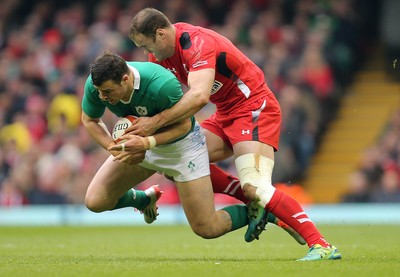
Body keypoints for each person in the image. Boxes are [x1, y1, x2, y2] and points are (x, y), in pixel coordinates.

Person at [127, 8, 341, 261]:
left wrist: (154, 124)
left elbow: (198, 96)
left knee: (256, 185)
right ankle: (255, 205)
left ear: (160, 34)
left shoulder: (197, 43)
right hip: (225, 113)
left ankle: (322, 245)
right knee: (175, 161)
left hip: (254, 108)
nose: (146, 53)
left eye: (145, 46)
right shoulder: (160, 56)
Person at [82, 51, 258, 240]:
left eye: (107, 92)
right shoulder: (96, 84)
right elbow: (90, 119)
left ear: (125, 80)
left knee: (207, 228)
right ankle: (144, 199)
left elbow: (184, 125)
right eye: (99, 91)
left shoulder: (161, 85)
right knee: (96, 201)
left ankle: (261, 212)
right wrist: (115, 147)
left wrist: (147, 142)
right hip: (141, 144)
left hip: (182, 148)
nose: (101, 96)